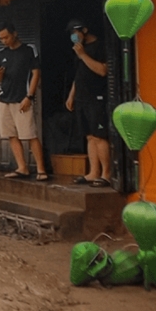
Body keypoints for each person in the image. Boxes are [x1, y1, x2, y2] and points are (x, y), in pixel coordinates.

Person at [0, 21, 48, 181]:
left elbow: (36, 74)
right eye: (1, 38)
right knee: (11, 135)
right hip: (4, 98)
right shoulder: (1, 53)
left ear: (14, 34)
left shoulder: (29, 50)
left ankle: (41, 169)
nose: (4, 41)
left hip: (22, 98)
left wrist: (29, 96)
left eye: (6, 37)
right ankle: (22, 167)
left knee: (30, 134)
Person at [64, 19, 111, 186]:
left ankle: (106, 174)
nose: (74, 38)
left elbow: (103, 70)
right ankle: (93, 172)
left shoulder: (99, 46)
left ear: (84, 30)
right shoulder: (79, 51)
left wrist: (83, 55)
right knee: (89, 137)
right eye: (71, 35)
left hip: (97, 97)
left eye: (76, 33)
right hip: (81, 98)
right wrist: (71, 95)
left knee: (99, 136)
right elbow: (79, 75)